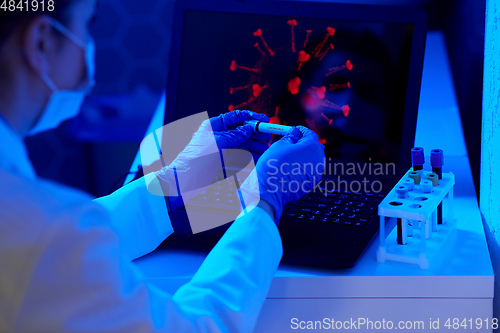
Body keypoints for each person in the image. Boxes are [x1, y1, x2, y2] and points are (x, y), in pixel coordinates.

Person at [0, 0, 325, 332]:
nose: (87, 45)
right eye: (87, 24)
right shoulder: (40, 227)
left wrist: (171, 186)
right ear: (40, 41)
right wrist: (266, 200)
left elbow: (59, 259)